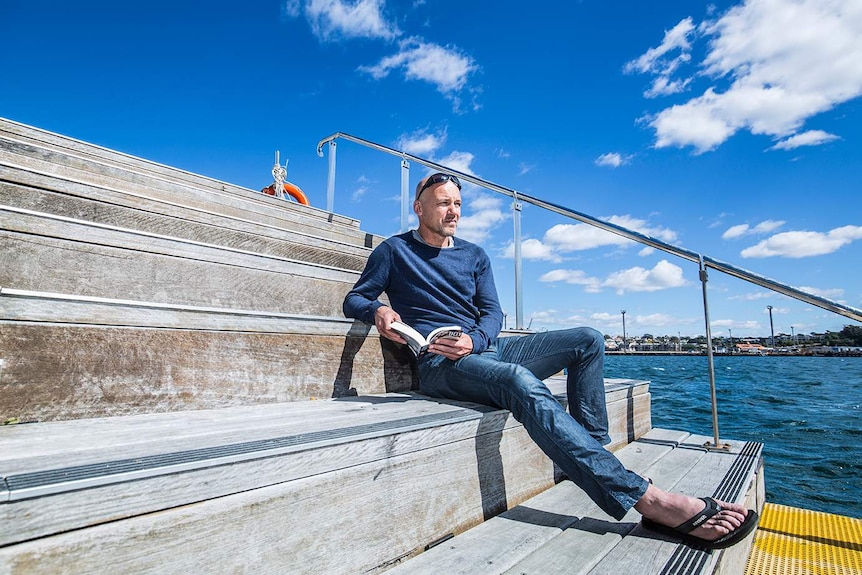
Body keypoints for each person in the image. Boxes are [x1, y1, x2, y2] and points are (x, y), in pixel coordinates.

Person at [343, 172, 757, 549]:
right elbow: (355, 297)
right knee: (519, 381)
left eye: (457, 204)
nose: (452, 211)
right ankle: (649, 501)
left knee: (588, 339)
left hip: (485, 347)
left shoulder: (475, 255)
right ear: (419, 208)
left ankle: (594, 457)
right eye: (442, 203)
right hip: (439, 364)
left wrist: (475, 338)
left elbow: (492, 314)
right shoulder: (395, 250)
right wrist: (377, 311)